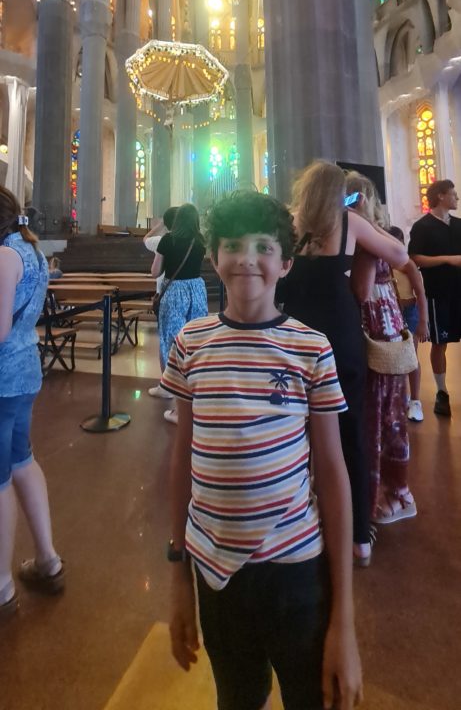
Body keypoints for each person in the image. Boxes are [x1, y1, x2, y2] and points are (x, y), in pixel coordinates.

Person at [162, 191, 362, 710]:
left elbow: (333, 471)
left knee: (309, 695)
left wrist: (344, 620)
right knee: (237, 696)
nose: (246, 258)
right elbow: (181, 458)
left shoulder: (310, 348)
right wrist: (178, 575)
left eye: (263, 247)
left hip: (295, 568)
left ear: (286, 263)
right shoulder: (190, 344)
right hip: (214, 571)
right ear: (214, 258)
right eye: (232, 245)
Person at [279, 160, 408, 567]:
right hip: (339, 338)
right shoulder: (348, 221)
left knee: (293, 432)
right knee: (351, 432)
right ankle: (357, 538)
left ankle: (298, 521)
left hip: (293, 338)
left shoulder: (290, 223)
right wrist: (367, 226)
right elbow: (400, 253)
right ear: (340, 193)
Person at [346, 173, 428, 527]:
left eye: (346, 199)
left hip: (376, 328)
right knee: (390, 415)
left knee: (379, 417)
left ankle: (393, 494)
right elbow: (411, 269)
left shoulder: (368, 240)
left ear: (358, 201)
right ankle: (397, 491)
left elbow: (361, 291)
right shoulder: (382, 233)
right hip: (388, 324)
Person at [0, 185, 64, 617]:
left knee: (0, 477)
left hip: (3, 377)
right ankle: (47, 560)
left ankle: (2, 586)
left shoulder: (5, 256)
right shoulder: (31, 251)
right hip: (25, 371)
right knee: (22, 460)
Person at [151, 203, 208, 424]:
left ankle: (174, 398)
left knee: (172, 342)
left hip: (174, 292)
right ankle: (196, 396)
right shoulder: (200, 240)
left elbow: (155, 271)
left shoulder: (168, 240)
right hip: (197, 290)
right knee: (196, 342)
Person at [409, 179, 461, 417]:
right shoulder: (422, 227)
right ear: (440, 196)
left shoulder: (458, 224)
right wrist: (448, 259)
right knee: (439, 343)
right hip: (438, 292)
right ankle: (442, 392)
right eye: (453, 194)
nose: (457, 198)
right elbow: (415, 258)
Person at [389, 226, 425, 422]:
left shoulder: (407, 264)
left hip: (409, 312)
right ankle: (400, 395)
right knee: (395, 357)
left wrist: (423, 321)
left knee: (411, 356)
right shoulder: (383, 263)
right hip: (392, 311)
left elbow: (420, 293)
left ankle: (416, 400)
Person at [145, 206, 179, 401]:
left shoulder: (163, 240)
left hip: (167, 292)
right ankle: (187, 384)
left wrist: (159, 226)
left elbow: (155, 271)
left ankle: (167, 385)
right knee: (187, 340)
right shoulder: (195, 240)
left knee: (166, 340)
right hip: (191, 293)